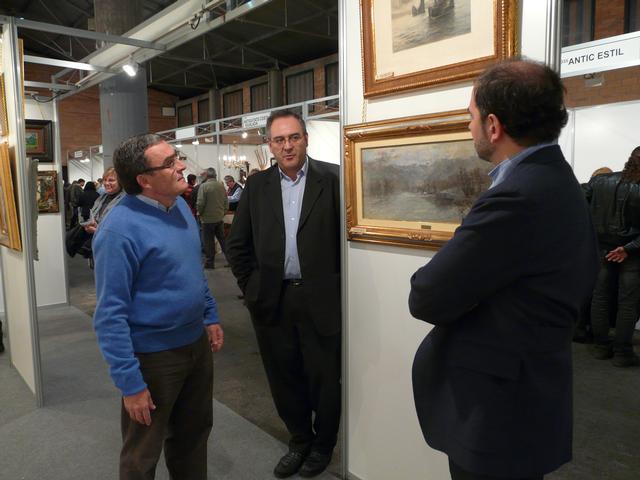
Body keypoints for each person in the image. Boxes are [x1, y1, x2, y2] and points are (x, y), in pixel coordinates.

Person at [408, 60, 599, 480]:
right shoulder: (556, 179)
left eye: (471, 115)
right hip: (527, 394)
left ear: (493, 125)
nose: (469, 125)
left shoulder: (517, 196)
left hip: (497, 408)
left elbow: (425, 295)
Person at [92, 134, 224, 480]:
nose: (181, 165)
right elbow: (109, 315)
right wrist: (130, 384)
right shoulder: (118, 231)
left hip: (195, 345)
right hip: (152, 358)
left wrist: (209, 314)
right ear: (144, 180)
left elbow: (192, 269)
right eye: (169, 163)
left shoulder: (179, 206)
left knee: (193, 437)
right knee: (142, 455)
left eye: (176, 156)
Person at [227, 110, 341, 479]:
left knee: (325, 379)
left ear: (306, 139)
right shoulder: (257, 186)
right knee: (284, 376)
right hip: (272, 300)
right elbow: (237, 245)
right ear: (270, 145)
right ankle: (299, 441)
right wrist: (251, 288)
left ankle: (323, 446)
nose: (287, 146)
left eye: (294, 137)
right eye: (279, 140)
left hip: (321, 299)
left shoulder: (334, 179)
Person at [584, 147, 640, 367]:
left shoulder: (600, 181)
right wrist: (628, 248)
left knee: (600, 296)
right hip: (631, 253)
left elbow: (578, 207)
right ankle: (622, 352)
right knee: (628, 302)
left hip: (604, 249)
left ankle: (601, 346)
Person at [197, 167, 228, 269]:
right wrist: (223, 213)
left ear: (206, 175)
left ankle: (210, 263)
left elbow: (200, 203)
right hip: (219, 218)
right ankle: (231, 260)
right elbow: (226, 202)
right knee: (223, 240)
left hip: (207, 219)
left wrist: (199, 213)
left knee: (209, 242)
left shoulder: (203, 186)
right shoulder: (221, 186)